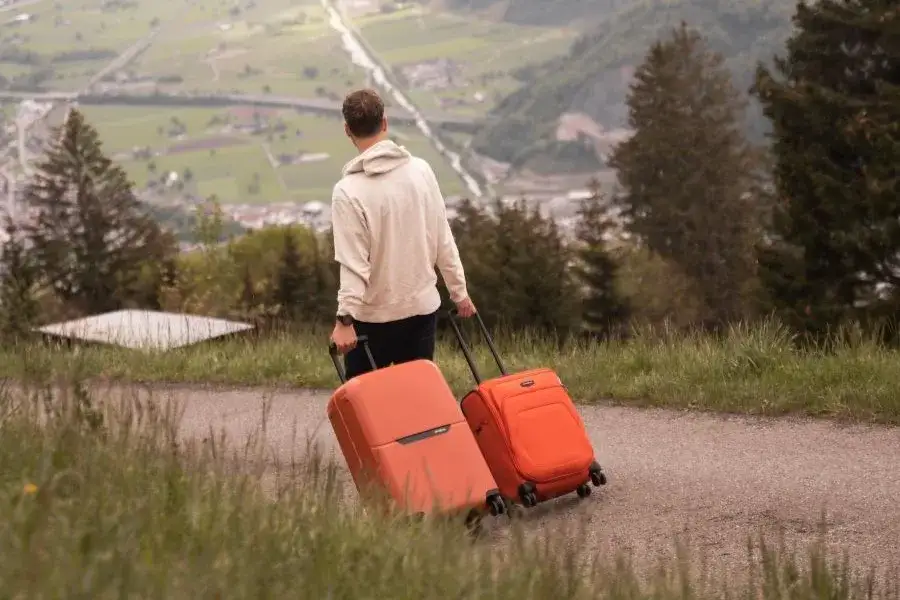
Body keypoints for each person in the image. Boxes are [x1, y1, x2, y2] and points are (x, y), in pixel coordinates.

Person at [329, 88, 476, 379]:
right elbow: (442, 238)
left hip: (372, 320)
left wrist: (344, 320)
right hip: (421, 312)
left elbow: (353, 264)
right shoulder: (421, 171)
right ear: (385, 123)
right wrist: (459, 292)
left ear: (348, 130)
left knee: (370, 414)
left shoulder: (347, 192)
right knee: (418, 404)